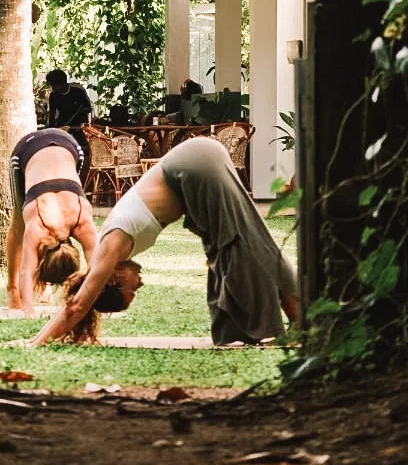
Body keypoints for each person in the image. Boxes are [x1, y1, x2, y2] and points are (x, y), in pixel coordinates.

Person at [31, 136, 299, 345]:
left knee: (243, 245)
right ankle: (293, 322)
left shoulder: (110, 248)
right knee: (236, 248)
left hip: (194, 165)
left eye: (132, 291)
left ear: (115, 279)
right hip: (193, 166)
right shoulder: (112, 248)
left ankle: (303, 322)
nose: (141, 284)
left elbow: (78, 305)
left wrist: (38, 341)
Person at [6, 128, 97, 313]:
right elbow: (26, 272)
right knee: (19, 223)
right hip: (27, 148)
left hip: (70, 146)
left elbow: (99, 267)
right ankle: (11, 289)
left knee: (24, 220)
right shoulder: (40, 223)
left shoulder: (82, 220)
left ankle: (39, 289)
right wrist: (27, 310)